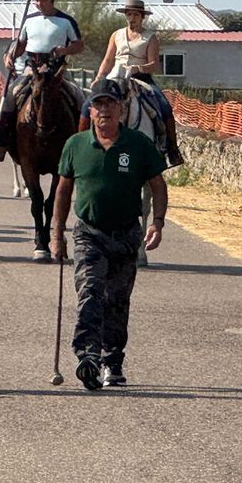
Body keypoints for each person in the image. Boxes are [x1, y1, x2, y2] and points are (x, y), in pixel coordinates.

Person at [51, 78, 167, 390]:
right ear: (90, 108)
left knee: (117, 299)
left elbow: (157, 184)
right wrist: (56, 233)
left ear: (122, 108)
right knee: (89, 291)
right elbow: (63, 190)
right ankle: (88, 354)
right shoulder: (75, 144)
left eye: (110, 103)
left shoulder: (138, 144)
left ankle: (112, 360)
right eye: (98, 103)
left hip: (127, 233)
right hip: (89, 233)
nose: (104, 110)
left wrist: (157, 222)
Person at [90, 0, 185, 166]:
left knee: (164, 105)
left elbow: (154, 65)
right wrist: (99, 77)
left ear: (142, 17)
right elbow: (108, 59)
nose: (131, 18)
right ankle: (82, 142)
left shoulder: (150, 37)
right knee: (88, 105)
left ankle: (171, 148)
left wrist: (138, 68)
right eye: (128, 14)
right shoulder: (116, 35)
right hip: (115, 75)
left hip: (139, 77)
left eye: (135, 15)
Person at [0, 0, 85, 149]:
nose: (39, 4)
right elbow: (21, 44)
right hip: (32, 69)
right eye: (36, 0)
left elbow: (79, 45)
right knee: (8, 97)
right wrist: (10, 56)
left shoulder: (66, 21)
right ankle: (2, 141)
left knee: (79, 97)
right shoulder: (29, 20)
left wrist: (64, 50)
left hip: (57, 70)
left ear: (52, 0)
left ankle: (82, 141)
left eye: (42, 0)